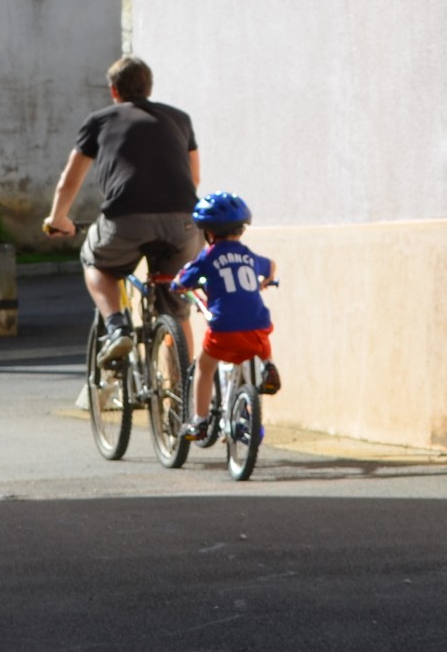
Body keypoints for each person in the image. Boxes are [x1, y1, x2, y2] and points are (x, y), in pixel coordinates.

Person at [44, 56, 201, 361]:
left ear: (114, 91)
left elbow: (70, 179)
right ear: (149, 87)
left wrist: (58, 218)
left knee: (94, 260)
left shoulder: (100, 120)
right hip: (183, 223)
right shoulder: (180, 119)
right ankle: (181, 401)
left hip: (126, 217)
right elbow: (194, 177)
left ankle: (117, 327)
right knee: (176, 311)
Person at [172, 190, 280, 444]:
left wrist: (178, 285)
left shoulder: (208, 257)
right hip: (258, 327)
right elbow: (271, 265)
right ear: (240, 230)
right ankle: (269, 366)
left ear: (208, 233)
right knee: (259, 339)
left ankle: (199, 420)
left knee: (204, 366)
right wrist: (265, 281)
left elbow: (182, 280)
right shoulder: (247, 255)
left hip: (224, 329)